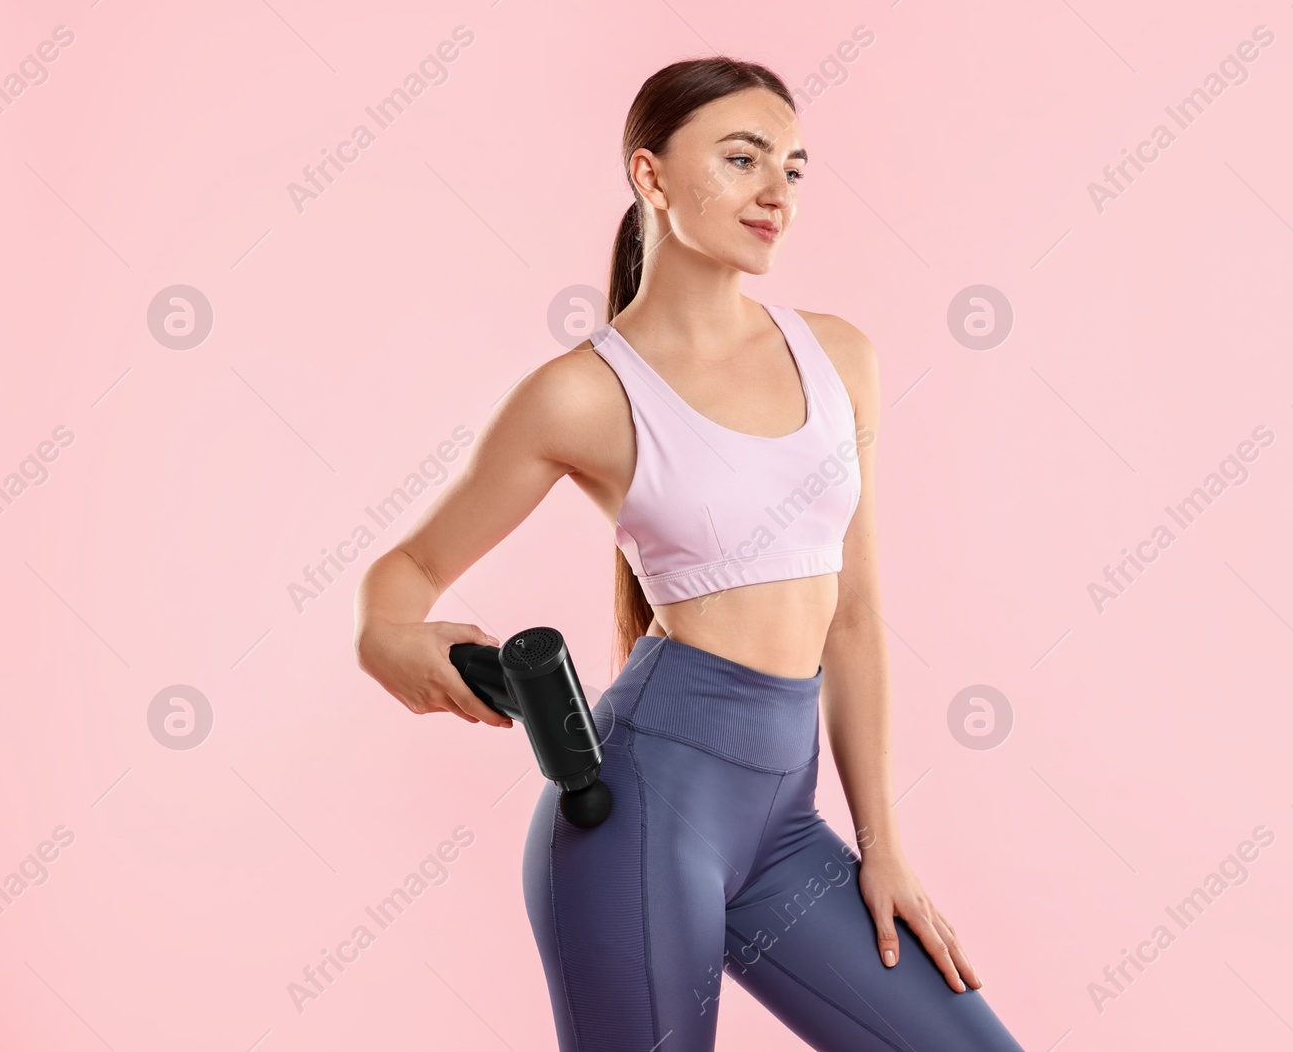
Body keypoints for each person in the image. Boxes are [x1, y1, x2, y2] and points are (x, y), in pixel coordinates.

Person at [354, 55, 1025, 1052]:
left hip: (784, 828)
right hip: (641, 814)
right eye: (743, 158)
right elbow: (399, 577)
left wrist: (882, 846)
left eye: (793, 169)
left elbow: (852, 615)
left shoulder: (840, 356)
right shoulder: (581, 395)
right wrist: (388, 641)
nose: (775, 193)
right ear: (651, 175)